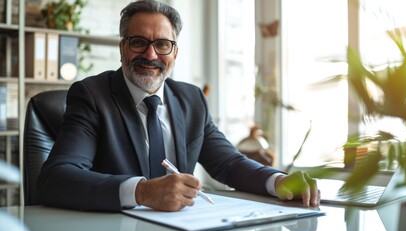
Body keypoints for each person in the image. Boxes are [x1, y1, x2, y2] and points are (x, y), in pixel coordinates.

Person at [37, 0, 320, 212]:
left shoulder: (191, 100)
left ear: (175, 52)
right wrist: (142, 192)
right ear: (122, 48)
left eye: (162, 44)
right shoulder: (92, 95)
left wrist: (278, 181)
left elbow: (229, 164)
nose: (150, 54)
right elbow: (56, 180)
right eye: (138, 42)